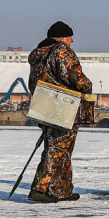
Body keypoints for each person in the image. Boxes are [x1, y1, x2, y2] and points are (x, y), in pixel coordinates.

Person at [27, 20, 94, 203]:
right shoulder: (61, 52)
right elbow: (75, 77)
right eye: (70, 36)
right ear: (62, 38)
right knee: (57, 148)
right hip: (63, 107)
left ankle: (61, 190)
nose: (72, 40)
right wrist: (88, 86)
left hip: (44, 105)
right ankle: (40, 188)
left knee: (59, 148)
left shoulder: (38, 55)